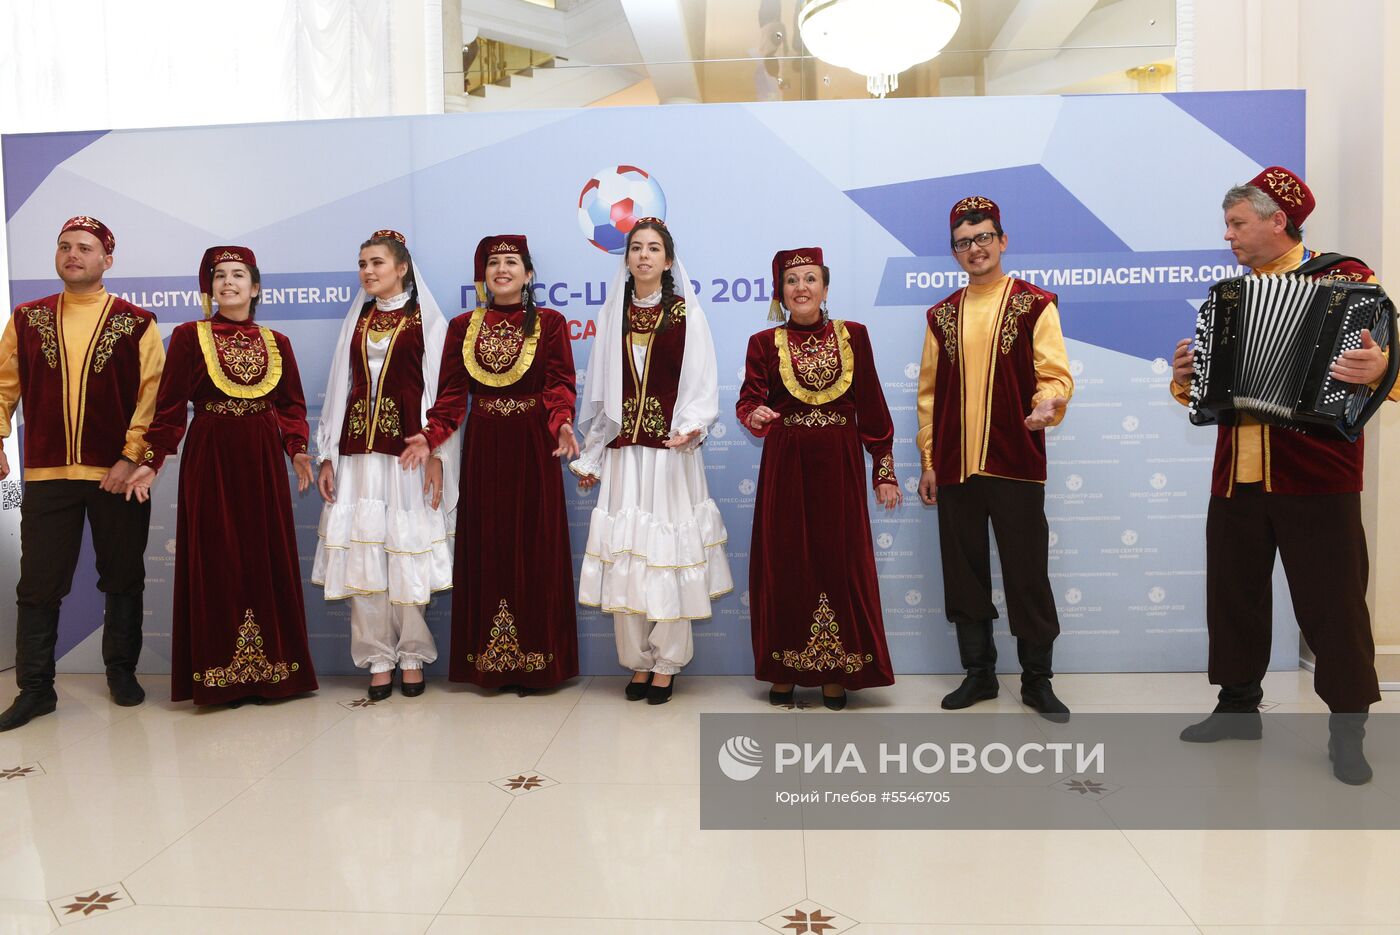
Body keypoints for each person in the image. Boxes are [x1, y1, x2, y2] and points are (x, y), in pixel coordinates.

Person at [1170, 166, 1395, 785]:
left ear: (1278, 220)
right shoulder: (1231, 295)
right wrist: (1188, 377)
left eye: (1238, 224)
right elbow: (1212, 395)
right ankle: (1238, 707)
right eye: (1228, 225)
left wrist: (1378, 370)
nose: (1229, 237)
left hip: (1318, 474)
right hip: (1236, 476)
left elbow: (1388, 371)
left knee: (1334, 604)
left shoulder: (1349, 280)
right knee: (1234, 593)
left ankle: (1348, 728)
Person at [126, 246, 318, 706]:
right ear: (208, 288)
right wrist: (150, 462)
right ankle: (219, 676)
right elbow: (170, 409)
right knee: (217, 557)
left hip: (261, 459)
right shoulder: (190, 337)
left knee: (263, 557)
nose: (227, 282)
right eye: (218, 276)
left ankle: (274, 673)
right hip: (211, 454)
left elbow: (291, 406)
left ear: (255, 287)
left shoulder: (278, 342)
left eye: (237, 275)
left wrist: (296, 451)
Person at [0, 216, 164, 731]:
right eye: (65, 246)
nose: (74, 254)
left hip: (116, 475)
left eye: (86, 248)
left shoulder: (137, 322)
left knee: (123, 575)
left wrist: (131, 456)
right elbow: (3, 385)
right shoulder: (26, 319)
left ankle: (122, 675)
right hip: (48, 474)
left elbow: (153, 397)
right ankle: (35, 690)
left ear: (106, 260)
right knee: (39, 584)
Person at [915, 195, 1074, 721]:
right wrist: (929, 460)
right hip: (957, 467)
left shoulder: (1034, 304)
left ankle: (1037, 680)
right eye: (963, 242)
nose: (975, 248)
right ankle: (978, 674)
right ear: (954, 253)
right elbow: (930, 395)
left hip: (1016, 462)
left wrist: (1047, 405)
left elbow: (1053, 374)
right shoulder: (941, 316)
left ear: (1002, 241)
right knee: (963, 573)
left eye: (983, 237)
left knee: (1027, 572)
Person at [403, 235, 579, 694]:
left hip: (533, 448)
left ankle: (539, 664)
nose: (502, 269)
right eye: (493, 263)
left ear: (528, 273)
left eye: (511, 262)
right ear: (483, 275)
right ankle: (490, 663)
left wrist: (561, 422)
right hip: (483, 449)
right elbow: (449, 398)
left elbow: (560, 384)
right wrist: (429, 435)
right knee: (488, 546)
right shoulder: (463, 326)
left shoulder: (552, 323)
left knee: (533, 545)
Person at [570, 219, 731, 704]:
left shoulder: (686, 315)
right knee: (627, 556)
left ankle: (668, 661)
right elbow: (600, 395)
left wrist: (692, 425)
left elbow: (702, 383)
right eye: (636, 248)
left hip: (669, 455)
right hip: (624, 457)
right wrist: (593, 456)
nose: (643, 256)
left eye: (653, 248)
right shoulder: (612, 316)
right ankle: (637, 660)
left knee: (669, 555)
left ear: (667, 260)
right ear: (627, 259)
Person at [738, 247, 900, 710]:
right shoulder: (763, 343)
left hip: (839, 466)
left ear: (825, 288)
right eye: (792, 281)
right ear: (780, 292)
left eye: (810, 279)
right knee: (785, 564)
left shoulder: (854, 336)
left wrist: (883, 472)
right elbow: (747, 401)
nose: (801, 288)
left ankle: (836, 672)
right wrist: (756, 414)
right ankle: (784, 670)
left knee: (837, 562)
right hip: (785, 468)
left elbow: (872, 408)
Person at [312, 230, 457, 701]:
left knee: (406, 551)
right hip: (358, 456)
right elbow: (340, 387)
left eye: (377, 263)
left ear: (402, 268)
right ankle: (376, 654)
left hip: (407, 455)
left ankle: (412, 652)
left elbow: (443, 392)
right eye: (362, 264)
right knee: (364, 555)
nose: (368, 272)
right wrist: (329, 454)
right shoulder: (357, 320)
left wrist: (436, 452)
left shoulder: (428, 322)